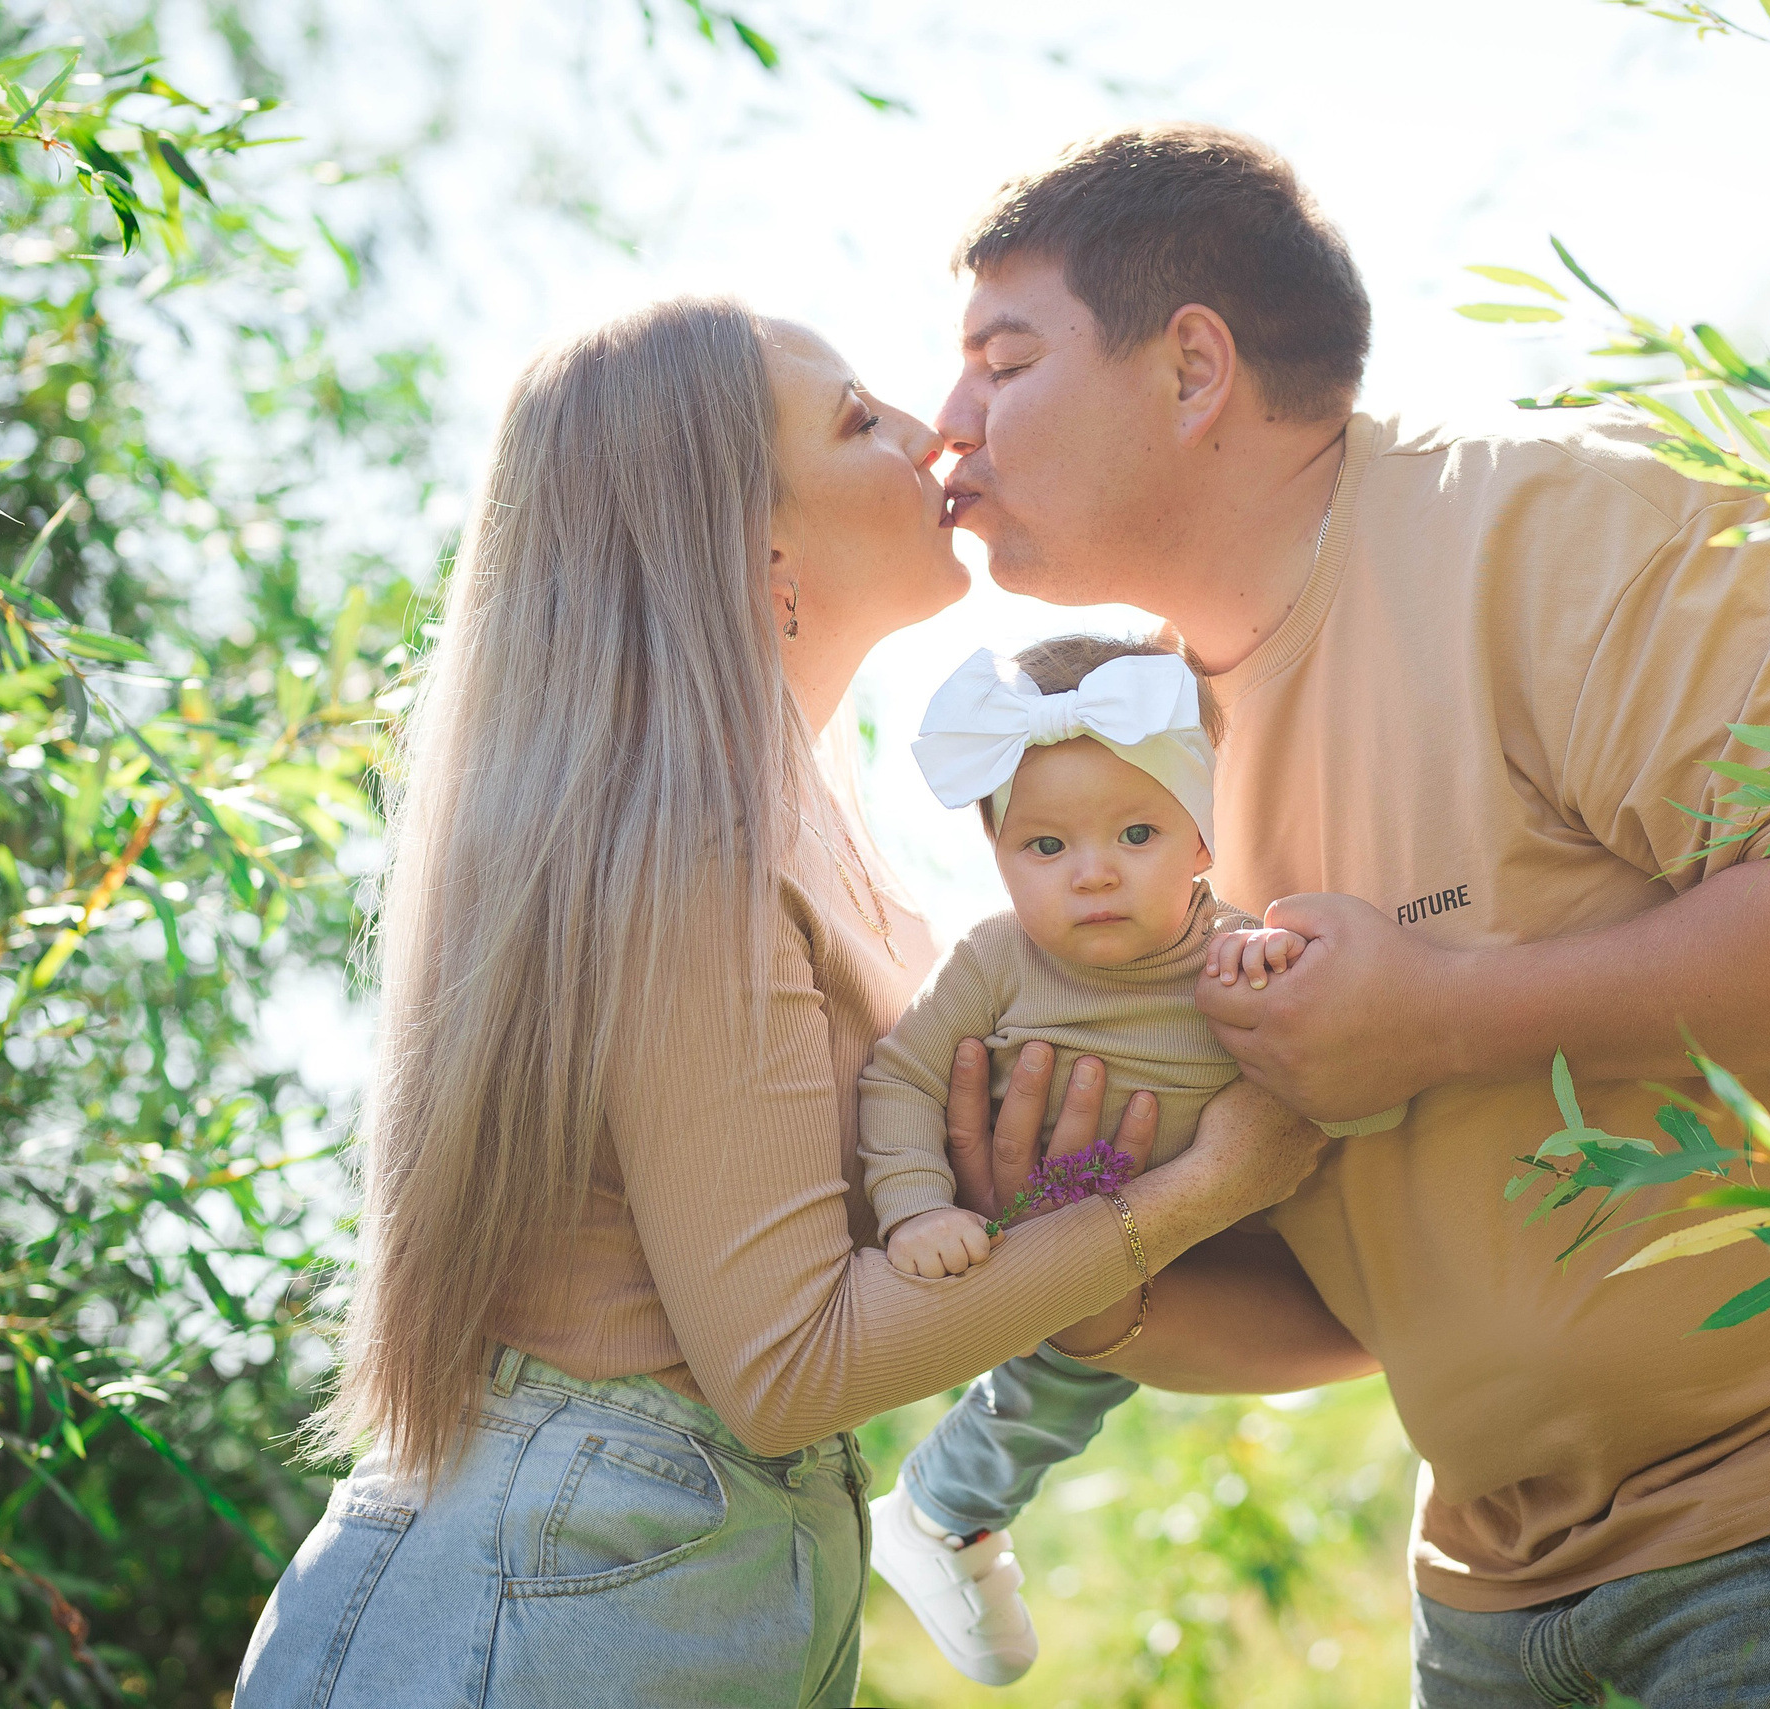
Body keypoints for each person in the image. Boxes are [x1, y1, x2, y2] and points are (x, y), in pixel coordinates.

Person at [930, 123, 1770, 1708]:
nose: (948, 428)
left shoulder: (1556, 531)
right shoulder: (1131, 774)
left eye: (1001, 364)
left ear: (1192, 368)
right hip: (1496, 1605)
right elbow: (1352, 1313)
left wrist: (1446, 1016)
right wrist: (1101, 1268)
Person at [230, 297, 1336, 1709]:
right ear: (759, 556)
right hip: (556, 1584)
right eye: (857, 420)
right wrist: (1197, 1190)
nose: (931, 428)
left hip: (653, 1566)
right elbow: (785, 1369)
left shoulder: (799, 827)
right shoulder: (688, 851)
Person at [854, 634, 1380, 1683]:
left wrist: (1279, 964)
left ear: (1199, 836)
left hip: (1211, 1237)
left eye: (1134, 832)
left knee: (1096, 1365)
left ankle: (943, 1511)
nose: (1092, 871)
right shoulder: (994, 960)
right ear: (996, 851)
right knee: (1058, 1381)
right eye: (1043, 847)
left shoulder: (1232, 948)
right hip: (1042, 1219)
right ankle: (944, 1512)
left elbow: (1314, 1018)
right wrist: (914, 1206)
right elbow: (900, 1078)